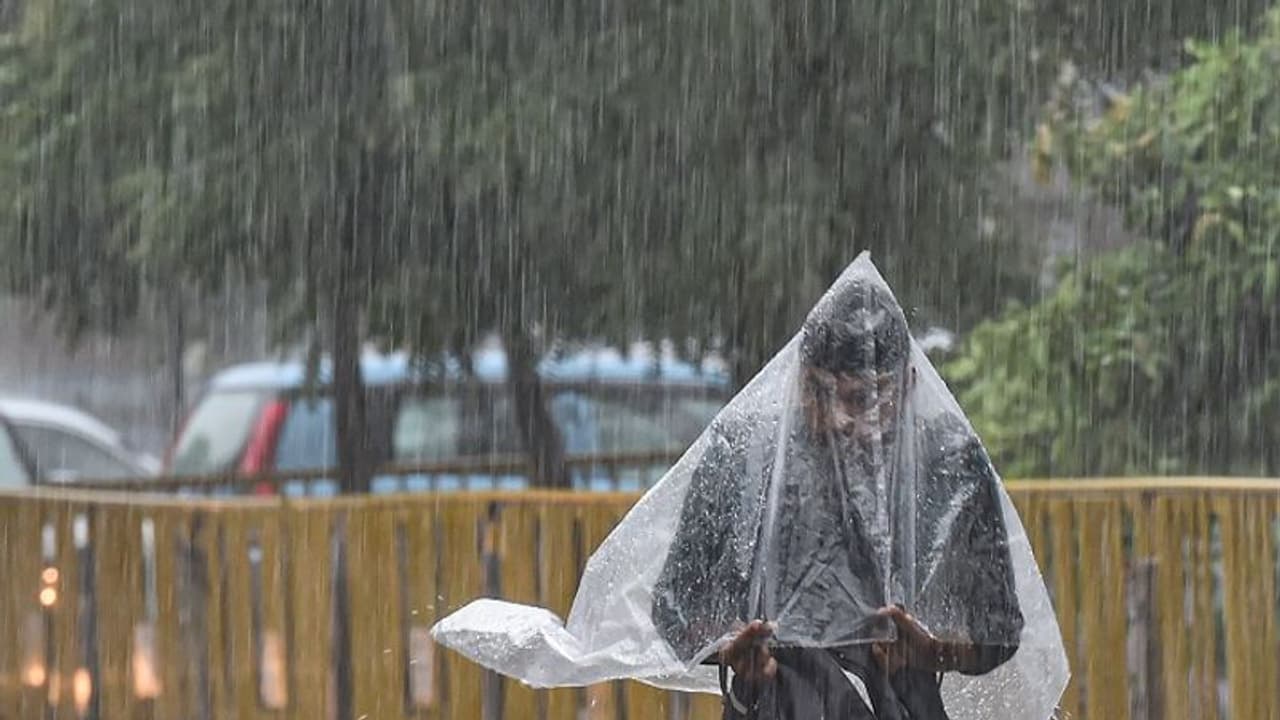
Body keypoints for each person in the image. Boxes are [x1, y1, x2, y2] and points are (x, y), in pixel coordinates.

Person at [650, 273, 1024, 719]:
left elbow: (998, 630)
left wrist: (934, 652)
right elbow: (673, 608)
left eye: (864, 398)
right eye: (819, 393)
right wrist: (730, 649)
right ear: (797, 380)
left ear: (908, 385)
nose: (842, 420)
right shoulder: (742, 460)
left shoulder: (948, 468)